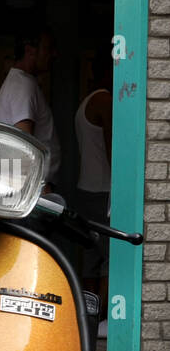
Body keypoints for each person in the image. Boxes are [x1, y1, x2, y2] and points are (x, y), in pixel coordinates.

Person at [0, 30, 61, 190]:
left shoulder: (21, 82)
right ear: (30, 50)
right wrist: (41, 189)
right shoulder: (23, 86)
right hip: (32, 190)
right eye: (49, 48)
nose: (54, 54)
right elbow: (24, 144)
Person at [75, 59, 113, 314]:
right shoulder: (104, 101)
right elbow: (114, 148)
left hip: (85, 187)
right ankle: (104, 316)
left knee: (90, 254)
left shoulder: (84, 103)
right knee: (111, 256)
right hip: (102, 189)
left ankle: (88, 316)